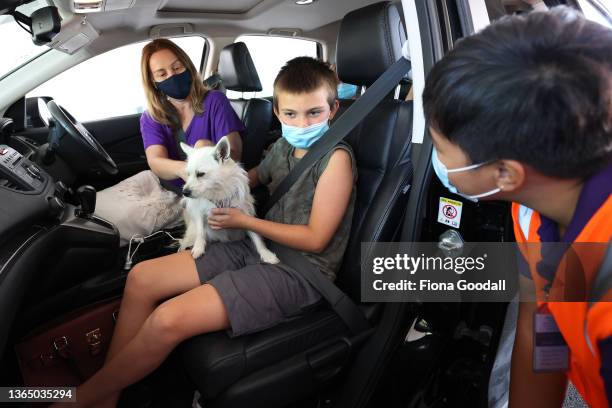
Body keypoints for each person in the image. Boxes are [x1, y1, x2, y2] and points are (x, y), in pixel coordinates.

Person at [51, 56, 356, 408]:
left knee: (166, 319)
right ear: (276, 112)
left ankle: (83, 400)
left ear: (333, 109)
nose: (301, 122)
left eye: (314, 113)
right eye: (291, 114)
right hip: (259, 244)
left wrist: (244, 222)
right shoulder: (285, 147)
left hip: (302, 270)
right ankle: (109, 395)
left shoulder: (336, 160)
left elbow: (316, 239)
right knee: (141, 279)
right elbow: (250, 177)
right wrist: (213, 183)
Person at [422, 7, 612, 408]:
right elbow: (541, 323)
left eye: (440, 149)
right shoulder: (531, 208)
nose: (438, 162)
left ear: (506, 174)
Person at [95, 38, 245, 246]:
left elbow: (234, 151)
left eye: (177, 67)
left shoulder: (214, 101)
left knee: (113, 225)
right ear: (154, 82)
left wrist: (204, 150)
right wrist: (185, 169)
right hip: (159, 181)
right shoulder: (151, 117)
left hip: (193, 193)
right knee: (96, 209)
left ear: (188, 66)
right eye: (162, 74)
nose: (172, 76)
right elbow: (155, 161)